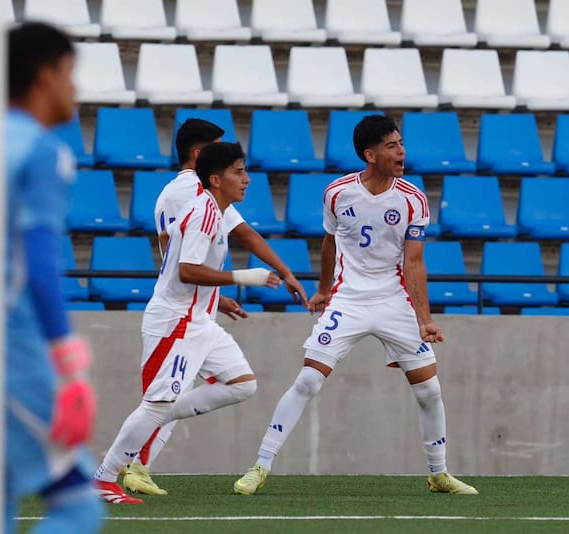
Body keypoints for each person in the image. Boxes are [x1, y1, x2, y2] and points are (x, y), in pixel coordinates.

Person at [234, 115, 478, 496]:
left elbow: (414, 261)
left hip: (395, 301)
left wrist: (424, 319)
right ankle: (260, 466)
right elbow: (330, 243)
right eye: (392, 146)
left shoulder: (413, 199)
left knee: (429, 391)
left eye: (401, 144)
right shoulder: (337, 192)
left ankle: (438, 474)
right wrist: (323, 290)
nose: (402, 151)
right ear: (370, 154)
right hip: (348, 299)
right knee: (308, 380)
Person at [120, 119, 309, 497]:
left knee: (228, 385)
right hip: (177, 315)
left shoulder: (169, 193)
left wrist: (212, 297)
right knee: (165, 397)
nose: (237, 169)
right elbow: (240, 237)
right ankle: (124, 465)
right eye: (222, 154)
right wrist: (277, 272)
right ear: (200, 155)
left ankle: (136, 464)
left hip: (194, 307)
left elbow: (174, 254)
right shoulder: (197, 192)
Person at [2, 22, 104, 533]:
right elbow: (38, 260)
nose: (74, 88)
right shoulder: (45, 153)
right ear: (45, 76)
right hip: (12, 349)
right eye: (70, 73)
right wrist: (68, 359)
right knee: (79, 506)